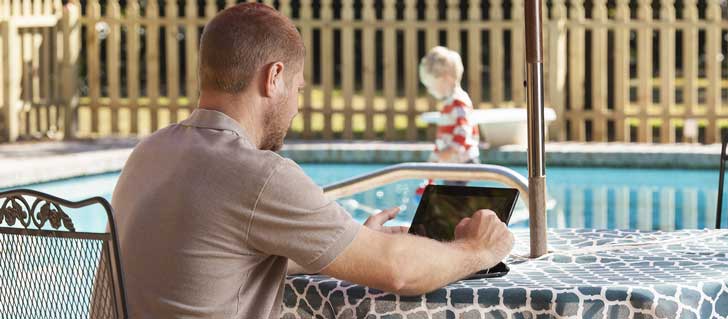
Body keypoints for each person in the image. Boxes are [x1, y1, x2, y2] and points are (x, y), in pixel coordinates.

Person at [111, 3, 514, 318]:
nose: (297, 108)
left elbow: (204, 266)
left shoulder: (148, 153)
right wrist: (477, 249)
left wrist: (346, 246)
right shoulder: (259, 175)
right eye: (298, 89)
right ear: (274, 78)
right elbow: (400, 272)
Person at [419, 46, 480, 187]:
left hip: (462, 162)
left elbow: (464, 130)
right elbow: (444, 138)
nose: (429, 89)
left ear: (445, 78)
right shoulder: (449, 104)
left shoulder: (458, 101)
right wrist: (433, 159)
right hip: (454, 162)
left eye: (430, 84)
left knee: (455, 200)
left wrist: (450, 150)